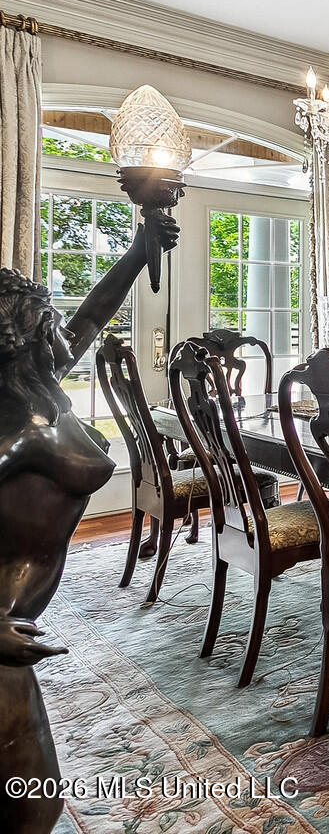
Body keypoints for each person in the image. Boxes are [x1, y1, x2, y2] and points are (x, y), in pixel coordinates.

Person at [0, 195, 179, 834]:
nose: (63, 329)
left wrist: (138, 252)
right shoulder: (12, 434)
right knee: (27, 803)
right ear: (21, 338)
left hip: (19, 631)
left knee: (34, 801)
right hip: (3, 636)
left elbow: (93, 313)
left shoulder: (38, 389)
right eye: (48, 318)